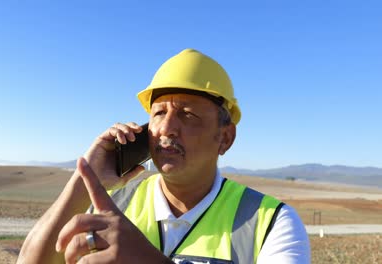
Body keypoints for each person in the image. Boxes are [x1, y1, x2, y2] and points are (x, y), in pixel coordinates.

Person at [18, 49, 310, 264]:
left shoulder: (271, 222)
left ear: (225, 138)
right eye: (158, 113)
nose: (166, 128)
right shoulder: (110, 206)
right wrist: (85, 181)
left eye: (188, 114)